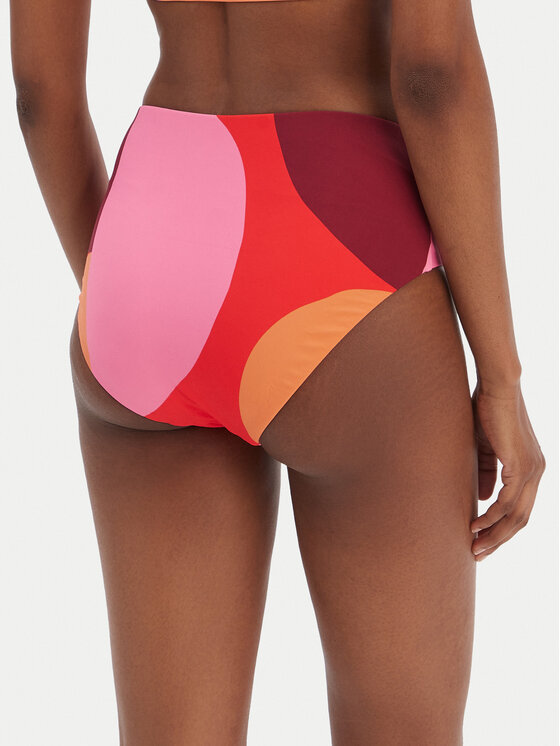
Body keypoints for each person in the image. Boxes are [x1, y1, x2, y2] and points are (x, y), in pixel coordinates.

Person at [10, 0, 546, 743]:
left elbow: (39, 94)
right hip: (341, 232)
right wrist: (501, 375)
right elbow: (433, 72)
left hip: (150, 233)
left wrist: (135, 298)